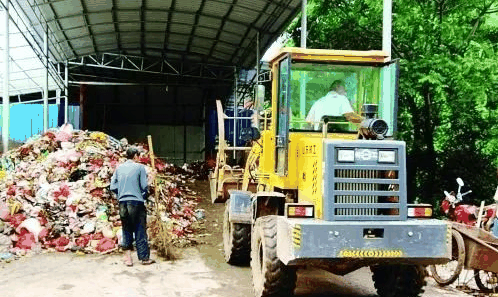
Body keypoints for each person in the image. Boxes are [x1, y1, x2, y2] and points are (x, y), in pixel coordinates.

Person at [110, 147, 154, 266]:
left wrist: (122, 192)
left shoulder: (119, 168)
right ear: (135, 156)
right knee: (140, 229)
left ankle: (128, 259)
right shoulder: (140, 167)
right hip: (136, 202)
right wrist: (150, 180)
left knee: (126, 229)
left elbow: (112, 186)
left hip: (122, 203)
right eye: (138, 156)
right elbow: (144, 186)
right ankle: (144, 258)